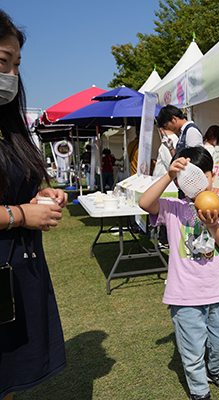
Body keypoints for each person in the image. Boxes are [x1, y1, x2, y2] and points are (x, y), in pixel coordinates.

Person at [139, 146, 219, 400]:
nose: (197, 183)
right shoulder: (174, 207)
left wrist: (213, 225)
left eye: (202, 176)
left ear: (213, 176)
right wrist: (168, 175)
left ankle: (216, 371)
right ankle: (199, 390)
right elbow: (144, 203)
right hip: (184, 295)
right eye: (188, 179)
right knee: (192, 348)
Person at [0, 9, 68, 400]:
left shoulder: (8, 126)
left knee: (7, 381)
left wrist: (38, 196)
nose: (10, 74)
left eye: (16, 64)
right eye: (1, 61)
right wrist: (22, 215)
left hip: (14, 277)